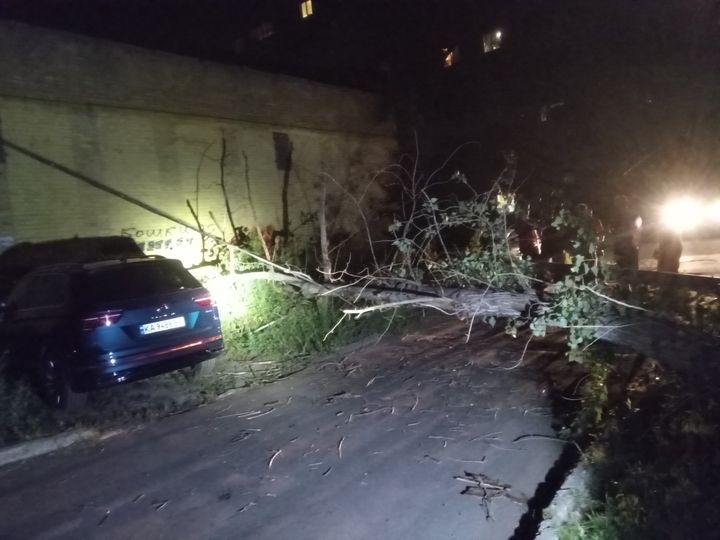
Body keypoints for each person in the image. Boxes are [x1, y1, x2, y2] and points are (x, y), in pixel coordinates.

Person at [612, 195, 642, 269]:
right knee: (629, 268)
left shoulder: (619, 216)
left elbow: (636, 229)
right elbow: (638, 229)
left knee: (625, 268)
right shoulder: (633, 214)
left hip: (626, 245)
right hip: (627, 245)